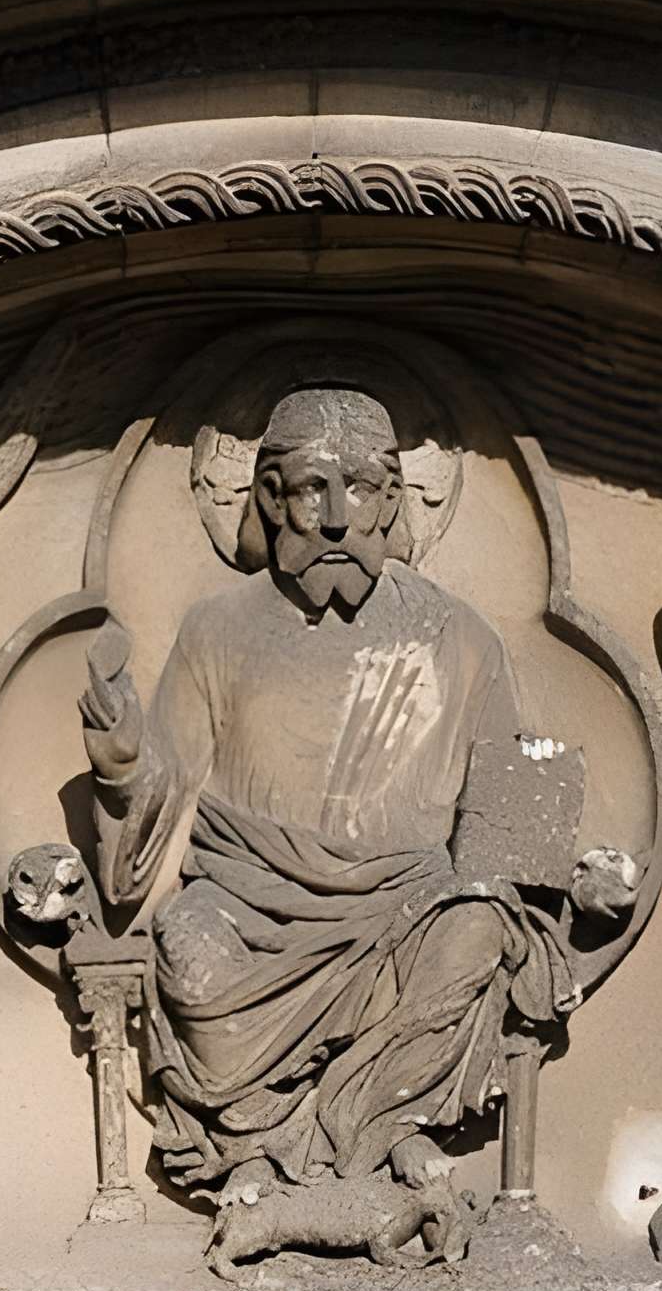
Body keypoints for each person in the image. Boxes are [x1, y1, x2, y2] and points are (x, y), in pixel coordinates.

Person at [79, 382, 573, 1188]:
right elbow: (159, 797)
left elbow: (510, 814)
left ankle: (375, 1123)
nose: (340, 517)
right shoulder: (217, 629)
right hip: (246, 901)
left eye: (365, 489)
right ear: (271, 497)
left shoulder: (461, 636)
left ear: (392, 500)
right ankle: (258, 1136)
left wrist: (538, 866)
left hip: (405, 908)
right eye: (314, 489)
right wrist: (122, 758)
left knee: (480, 931)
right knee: (190, 954)